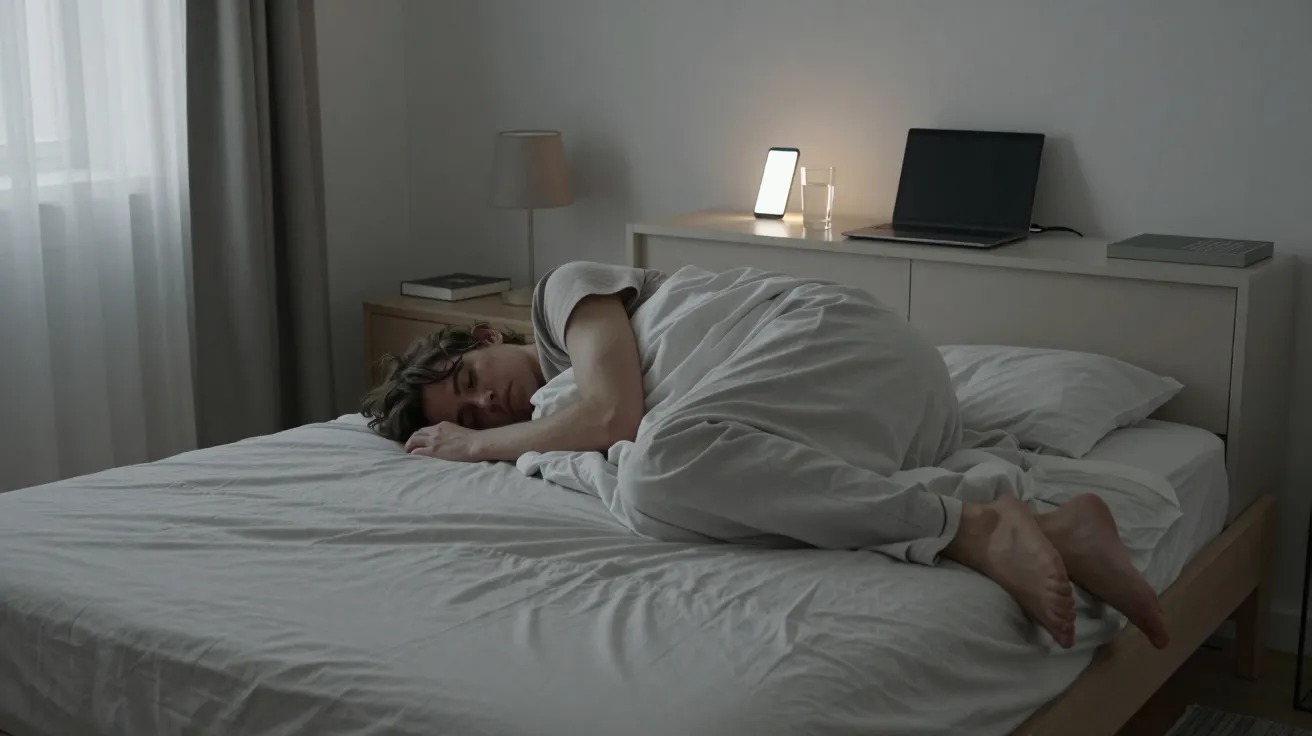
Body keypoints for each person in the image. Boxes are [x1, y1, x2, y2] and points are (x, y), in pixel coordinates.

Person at [361, 261, 1169, 651]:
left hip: (838, 345)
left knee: (657, 466)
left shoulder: (564, 295)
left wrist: (477, 445)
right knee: (664, 487)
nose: (485, 403)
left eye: (471, 379)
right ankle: (1057, 532)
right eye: (465, 412)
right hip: (878, 428)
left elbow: (612, 413)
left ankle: (971, 527)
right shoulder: (544, 412)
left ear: (485, 335)